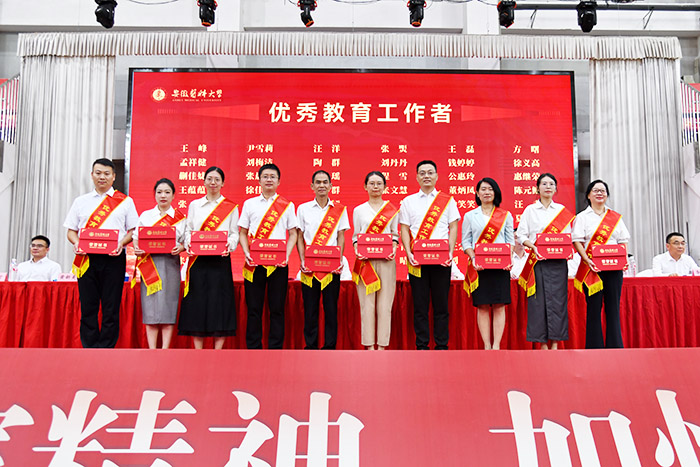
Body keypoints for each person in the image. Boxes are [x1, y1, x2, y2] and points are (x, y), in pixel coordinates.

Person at [64, 158, 139, 348]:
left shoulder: (125, 202)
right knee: (88, 306)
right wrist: (77, 243)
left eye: (106, 173)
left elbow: (133, 231)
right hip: (86, 259)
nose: (102, 177)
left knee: (110, 306)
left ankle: (107, 347)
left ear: (114, 177)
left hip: (114, 259)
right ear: (92, 175)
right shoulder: (81, 202)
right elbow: (71, 231)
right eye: (98, 173)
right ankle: (89, 347)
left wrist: (121, 243)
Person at [399, 160, 459, 350]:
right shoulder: (408, 201)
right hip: (417, 261)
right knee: (420, 306)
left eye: (430, 172)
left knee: (441, 306)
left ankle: (441, 345)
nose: (426, 176)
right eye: (422, 173)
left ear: (436, 176)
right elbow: (404, 228)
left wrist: (450, 253)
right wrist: (408, 252)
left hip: (442, 261)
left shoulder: (447, 201)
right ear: (417, 177)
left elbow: (453, 226)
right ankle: (422, 345)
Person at [238, 163, 297, 349]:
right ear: (259, 180)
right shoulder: (249, 204)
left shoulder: (287, 206)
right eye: (265, 176)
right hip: (254, 264)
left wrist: (286, 255)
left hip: (279, 265)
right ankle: (253, 347)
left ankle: (275, 348)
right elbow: (242, 232)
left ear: (279, 181)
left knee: (277, 309)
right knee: (254, 309)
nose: (269, 180)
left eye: (273, 177)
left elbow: (293, 234)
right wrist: (246, 253)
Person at [180, 166, 239, 350]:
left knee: (220, 304)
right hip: (198, 260)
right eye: (209, 179)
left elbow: (234, 234)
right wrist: (190, 244)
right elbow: (188, 231)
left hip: (220, 261)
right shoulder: (194, 205)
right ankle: (198, 351)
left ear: (223, 183)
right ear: (204, 181)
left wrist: (228, 245)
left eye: (217, 179)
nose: (213, 182)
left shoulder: (231, 207)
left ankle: (217, 351)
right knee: (197, 302)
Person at [516, 173, 575, 350]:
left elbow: (568, 237)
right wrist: (533, 247)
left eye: (551, 184)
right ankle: (542, 343)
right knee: (538, 303)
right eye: (544, 184)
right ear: (537, 188)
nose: (548, 187)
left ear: (555, 189)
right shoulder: (530, 210)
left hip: (558, 263)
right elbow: (521, 235)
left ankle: (555, 343)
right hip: (538, 262)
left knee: (558, 303)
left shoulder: (561, 211)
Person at [572, 179, 630, 349]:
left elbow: (623, 240)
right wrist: (587, 259)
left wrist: (623, 258)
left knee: (613, 309)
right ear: (588, 195)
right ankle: (594, 347)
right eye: (595, 190)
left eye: (603, 191)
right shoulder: (582, 217)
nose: (599, 193)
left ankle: (615, 346)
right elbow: (577, 241)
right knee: (593, 309)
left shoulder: (615, 217)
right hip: (592, 269)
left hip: (614, 268)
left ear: (607, 195)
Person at [296, 169, 350, 350]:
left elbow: (341, 237)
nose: (321, 185)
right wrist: (302, 260)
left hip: (331, 267)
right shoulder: (303, 209)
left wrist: (339, 260)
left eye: (325, 182)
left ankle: (330, 346)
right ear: (312, 186)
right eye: (318, 182)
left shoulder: (340, 210)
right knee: (310, 309)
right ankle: (310, 346)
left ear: (331, 186)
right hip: (310, 267)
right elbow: (299, 236)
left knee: (331, 309)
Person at [132, 178, 186, 349]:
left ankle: (165, 350)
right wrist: (137, 248)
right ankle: (152, 349)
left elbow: (186, 241)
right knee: (151, 308)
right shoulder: (146, 216)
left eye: (167, 192)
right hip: (150, 264)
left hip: (170, 263)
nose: (163, 195)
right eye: (159, 192)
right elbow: (136, 238)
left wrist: (181, 247)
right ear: (154, 194)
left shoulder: (180, 218)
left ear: (173, 195)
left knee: (168, 306)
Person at [462, 177, 514, 350]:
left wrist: (509, 259)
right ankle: (486, 345)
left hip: (500, 267)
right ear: (477, 193)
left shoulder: (505, 215)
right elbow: (466, 241)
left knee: (499, 305)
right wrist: (473, 258)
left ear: (496, 192)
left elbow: (510, 241)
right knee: (482, 306)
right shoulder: (470, 216)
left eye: (490, 189)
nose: (487, 192)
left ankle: (496, 345)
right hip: (479, 267)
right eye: (483, 189)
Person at [352, 171, 399, 351]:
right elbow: (356, 236)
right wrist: (358, 251)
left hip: (387, 261)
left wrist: (393, 249)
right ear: (365, 186)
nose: (375, 187)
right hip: (366, 262)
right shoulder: (359, 210)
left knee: (385, 305)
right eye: (371, 183)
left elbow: (394, 235)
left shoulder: (392, 209)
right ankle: (369, 345)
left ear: (385, 187)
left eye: (379, 183)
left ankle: (382, 345)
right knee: (367, 305)